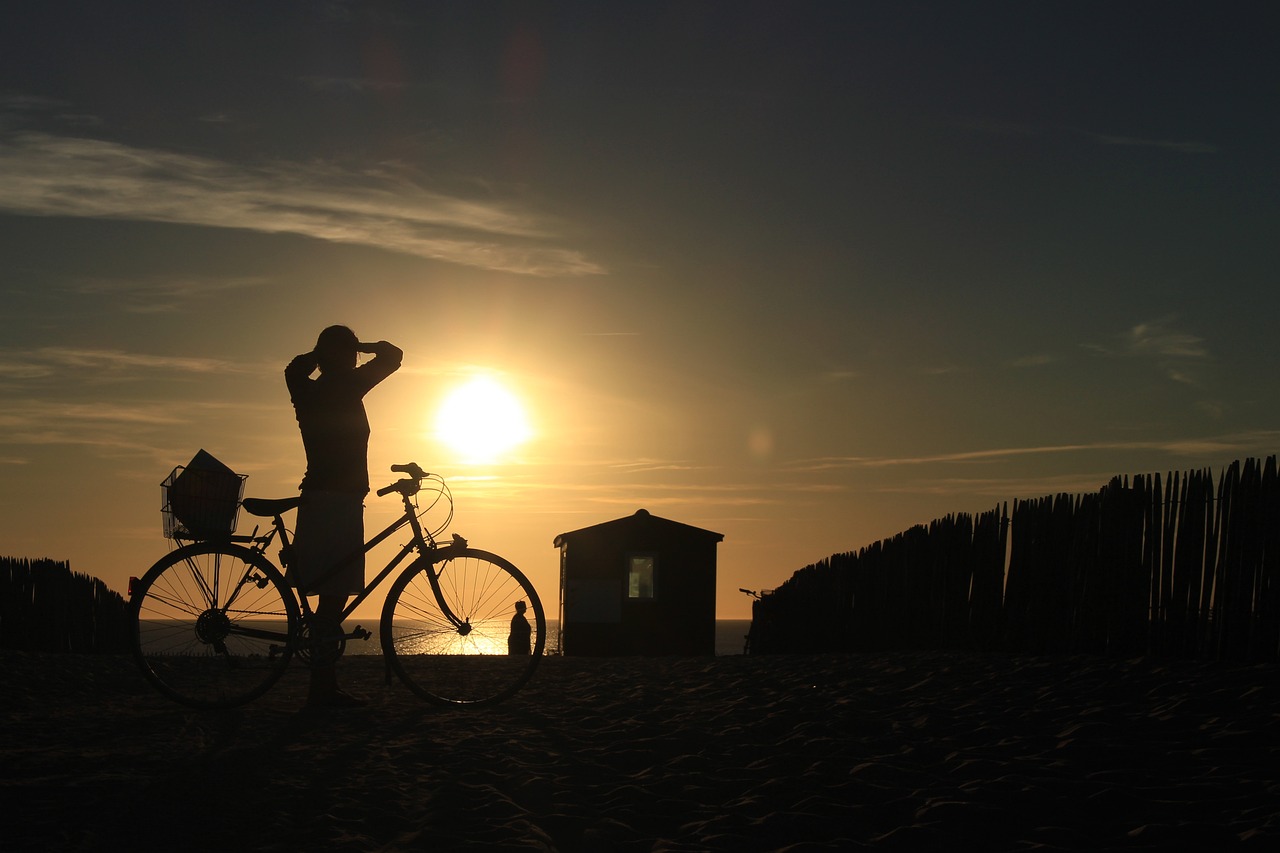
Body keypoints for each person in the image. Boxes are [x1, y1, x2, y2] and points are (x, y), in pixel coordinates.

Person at [286, 325, 402, 708]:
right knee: (333, 597)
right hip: (338, 503)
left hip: (319, 499)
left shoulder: (307, 390)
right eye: (350, 351)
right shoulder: (346, 386)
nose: (355, 357)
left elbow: (293, 368)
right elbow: (393, 355)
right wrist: (358, 346)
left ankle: (323, 685)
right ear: (343, 355)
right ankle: (322, 690)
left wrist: (321, 353)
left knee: (328, 597)